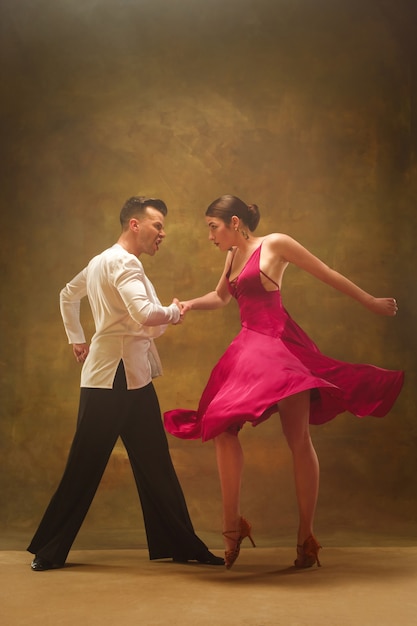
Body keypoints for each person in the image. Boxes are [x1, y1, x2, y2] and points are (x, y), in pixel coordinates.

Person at [164, 194, 404, 570]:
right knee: (220, 425)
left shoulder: (275, 244)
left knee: (298, 439)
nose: (210, 236)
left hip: (280, 347)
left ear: (235, 223)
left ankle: (306, 537)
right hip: (248, 350)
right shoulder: (230, 257)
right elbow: (220, 297)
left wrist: (369, 301)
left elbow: (327, 274)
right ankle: (232, 527)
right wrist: (190, 305)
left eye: (213, 227)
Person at [28, 196, 224, 571]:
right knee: (84, 465)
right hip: (110, 378)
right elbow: (146, 313)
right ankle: (50, 550)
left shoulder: (100, 260)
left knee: (156, 464)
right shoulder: (126, 263)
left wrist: (77, 337)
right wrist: (175, 311)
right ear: (134, 225)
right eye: (157, 225)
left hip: (130, 375)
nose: (162, 233)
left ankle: (184, 544)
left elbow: (67, 294)